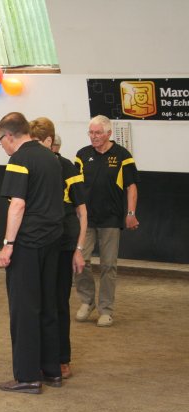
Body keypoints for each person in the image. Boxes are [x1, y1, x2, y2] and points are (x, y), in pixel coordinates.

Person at [0, 112, 63, 394]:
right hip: (53, 242)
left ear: (9, 135)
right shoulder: (51, 157)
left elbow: (18, 205)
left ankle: (27, 376)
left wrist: (8, 244)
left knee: (24, 310)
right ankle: (52, 371)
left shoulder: (19, 160)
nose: (1, 145)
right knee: (48, 306)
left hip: (28, 243)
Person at [30, 118, 87, 379]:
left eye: (37, 142)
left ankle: (62, 358)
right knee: (39, 302)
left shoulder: (67, 167)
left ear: (49, 142)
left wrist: (79, 249)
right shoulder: (28, 166)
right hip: (39, 244)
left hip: (64, 245)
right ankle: (40, 357)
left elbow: (82, 212)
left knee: (59, 302)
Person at [74, 115, 139, 327]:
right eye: (91, 133)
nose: (94, 136)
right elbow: (74, 186)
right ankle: (87, 301)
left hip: (111, 219)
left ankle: (106, 309)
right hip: (86, 219)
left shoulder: (122, 156)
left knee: (108, 265)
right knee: (80, 261)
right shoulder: (82, 155)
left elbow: (131, 187)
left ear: (109, 133)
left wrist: (131, 213)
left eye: (98, 133)